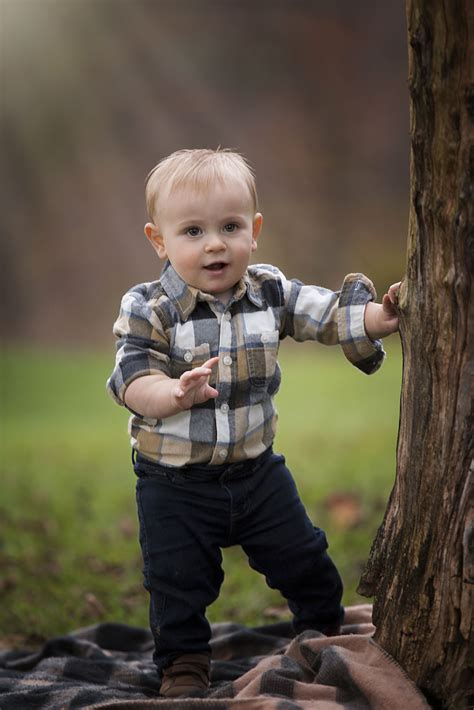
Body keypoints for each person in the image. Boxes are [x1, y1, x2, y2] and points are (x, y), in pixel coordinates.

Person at [107, 148, 400, 697]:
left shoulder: (269, 292)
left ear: (254, 230)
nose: (215, 243)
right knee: (175, 583)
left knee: (305, 557)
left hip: (257, 474)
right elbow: (131, 377)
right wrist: (171, 391)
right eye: (193, 231)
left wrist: (379, 317)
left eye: (230, 226)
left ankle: (324, 634)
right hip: (174, 483)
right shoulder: (151, 309)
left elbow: (327, 313)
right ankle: (184, 666)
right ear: (159, 241)